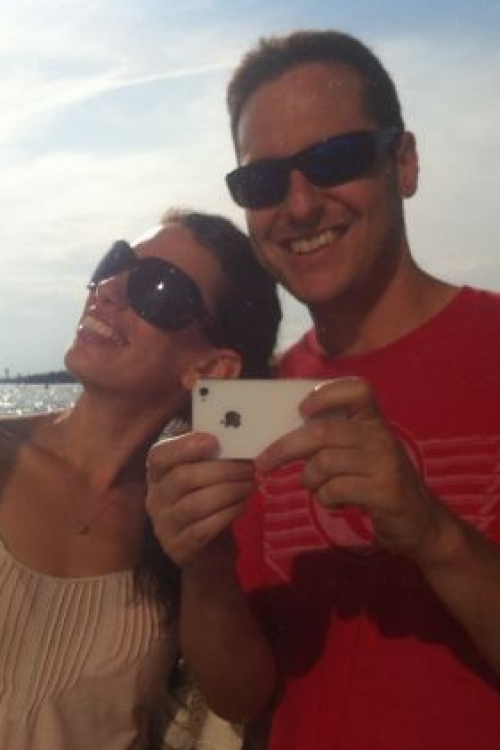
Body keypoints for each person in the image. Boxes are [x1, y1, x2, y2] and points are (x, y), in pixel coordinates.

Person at [146, 30, 500, 750]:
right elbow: (241, 695)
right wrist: (203, 566)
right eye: (264, 182)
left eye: (336, 159)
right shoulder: (256, 403)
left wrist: (434, 535)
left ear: (404, 162)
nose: (300, 205)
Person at [0, 207, 280, 749]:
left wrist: (205, 565)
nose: (107, 290)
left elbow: (239, 700)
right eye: (115, 262)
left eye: (156, 288)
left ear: (211, 369)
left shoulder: (184, 522)